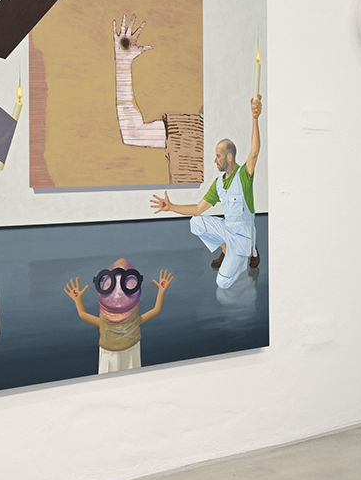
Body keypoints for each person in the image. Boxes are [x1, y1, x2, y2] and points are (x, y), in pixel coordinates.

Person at [151, 95, 262, 290]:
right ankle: (226, 249)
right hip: (228, 231)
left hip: (242, 236)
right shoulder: (218, 183)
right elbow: (197, 209)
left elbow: (254, 152)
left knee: (223, 283)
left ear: (229, 157)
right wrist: (171, 207)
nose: (215, 160)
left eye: (218, 156)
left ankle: (248, 253)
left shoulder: (244, 175)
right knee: (196, 222)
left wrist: (255, 118)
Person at [64, 260, 172, 374]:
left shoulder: (132, 321)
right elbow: (156, 309)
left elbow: (83, 315)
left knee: (129, 378)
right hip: (112, 352)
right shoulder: (113, 322)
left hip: (129, 350)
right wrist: (161, 291)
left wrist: (78, 300)